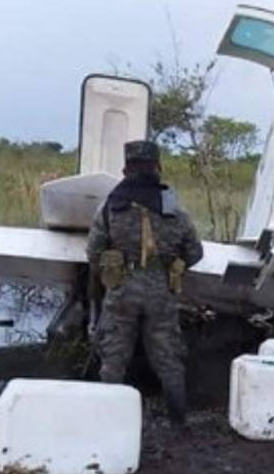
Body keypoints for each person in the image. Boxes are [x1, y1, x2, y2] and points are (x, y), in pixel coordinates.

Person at [86, 140, 203, 424]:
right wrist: (171, 265)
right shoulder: (172, 205)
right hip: (161, 289)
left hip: (122, 288)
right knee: (168, 358)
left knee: (113, 359)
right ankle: (178, 423)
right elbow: (195, 252)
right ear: (158, 168)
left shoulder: (111, 205)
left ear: (126, 170)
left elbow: (93, 252)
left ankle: (106, 422)